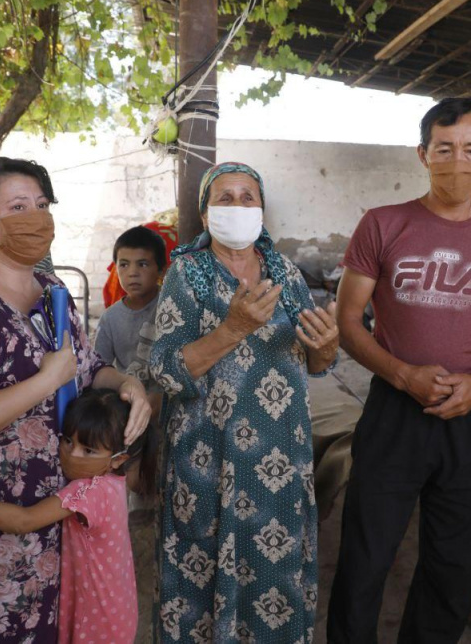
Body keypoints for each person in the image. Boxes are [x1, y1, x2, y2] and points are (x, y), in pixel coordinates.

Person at [327, 97, 471, 644]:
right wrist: (402, 375)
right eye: (445, 149)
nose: (458, 162)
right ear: (423, 154)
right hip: (395, 411)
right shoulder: (383, 224)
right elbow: (348, 321)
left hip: (470, 419)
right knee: (366, 555)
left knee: (452, 564)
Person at [0, 156, 152, 641]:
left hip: (64, 505)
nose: (35, 217)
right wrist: (44, 380)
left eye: (41, 204)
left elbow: (87, 365)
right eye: (17, 206)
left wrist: (126, 383)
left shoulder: (52, 289)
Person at [150, 162, 338, 644]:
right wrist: (233, 329)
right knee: (201, 578)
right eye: (225, 198)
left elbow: (315, 365)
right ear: (206, 210)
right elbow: (166, 369)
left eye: (248, 197)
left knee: (275, 577)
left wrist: (326, 346)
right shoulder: (186, 273)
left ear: (262, 207)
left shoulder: (286, 273)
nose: (237, 206)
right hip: (207, 460)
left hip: (279, 462)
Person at [0, 388, 158, 644]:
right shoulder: (114, 481)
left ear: (118, 459)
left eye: (89, 450)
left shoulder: (89, 492)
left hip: (97, 623)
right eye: (68, 442)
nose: (73, 455)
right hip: (117, 613)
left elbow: (23, 520)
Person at [94, 225, 167, 383]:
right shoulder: (110, 318)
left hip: (168, 399)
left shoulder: (172, 307)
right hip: (128, 398)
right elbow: (98, 368)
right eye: (124, 265)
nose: (132, 273)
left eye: (142, 264)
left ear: (161, 270)